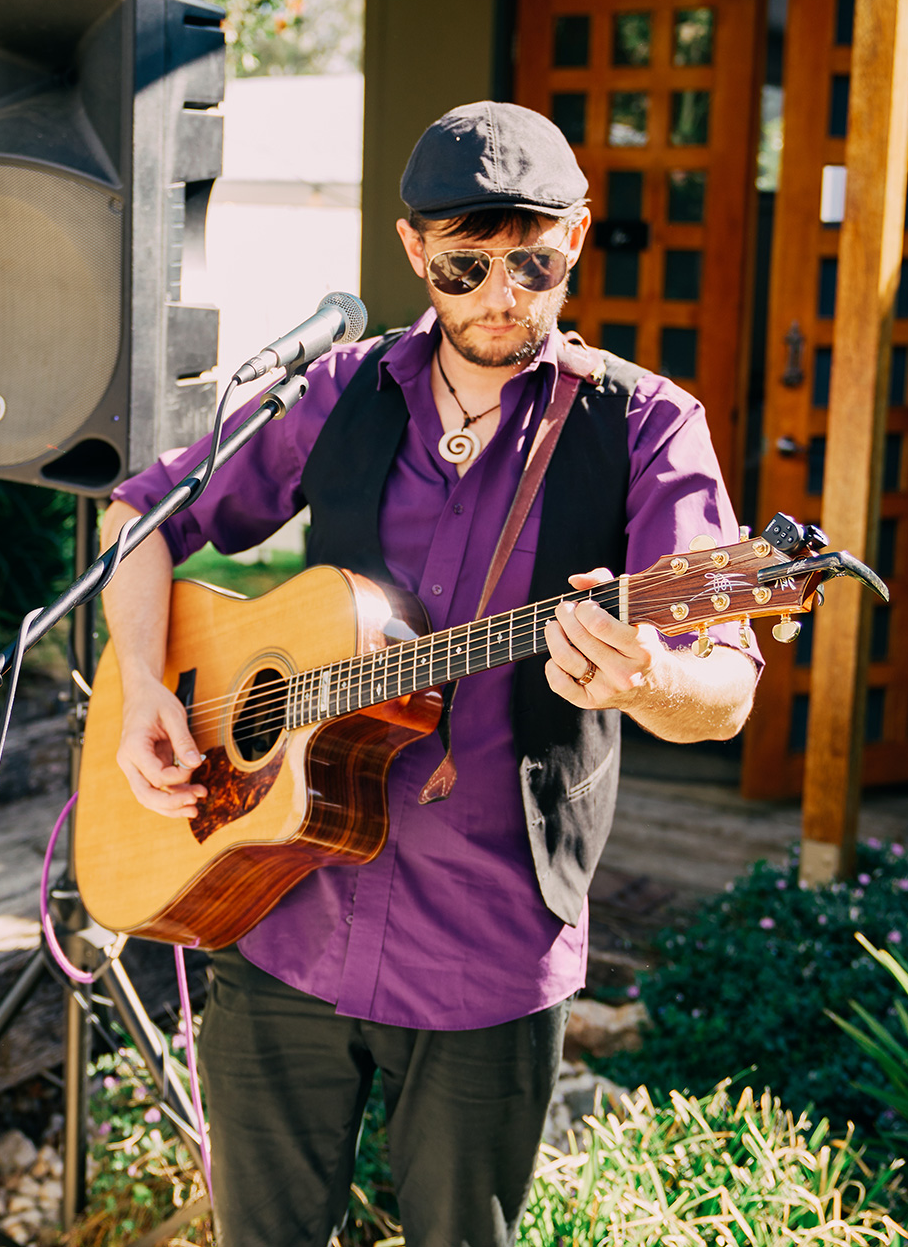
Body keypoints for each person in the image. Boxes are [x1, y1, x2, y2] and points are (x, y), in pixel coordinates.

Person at [97, 101, 760, 1247]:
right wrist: (145, 683)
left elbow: (725, 687)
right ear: (413, 253)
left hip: (485, 942)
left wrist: (646, 674)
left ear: (578, 239)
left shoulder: (644, 425)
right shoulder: (342, 389)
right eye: (465, 265)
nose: (502, 294)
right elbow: (142, 516)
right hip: (278, 901)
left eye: (533, 262)